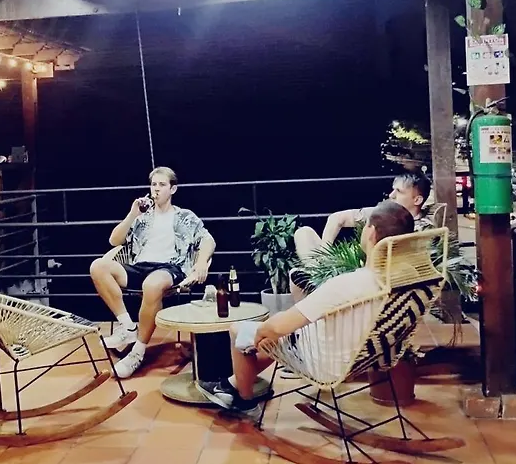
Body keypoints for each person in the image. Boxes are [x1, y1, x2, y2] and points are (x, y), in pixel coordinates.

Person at [197, 200, 415, 412]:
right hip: (369, 356)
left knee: (241, 330)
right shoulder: (409, 279)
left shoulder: (349, 284)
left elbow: (278, 328)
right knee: (278, 333)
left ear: (371, 232)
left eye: (365, 225)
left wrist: (261, 333)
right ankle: (230, 384)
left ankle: (244, 402)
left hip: (327, 363)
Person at [89, 166, 215, 378]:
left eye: (162, 185)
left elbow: (208, 240)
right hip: (140, 266)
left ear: (172, 189)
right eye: (153, 184)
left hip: (169, 267)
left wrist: (201, 262)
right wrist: (132, 214)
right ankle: (128, 328)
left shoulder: (184, 216)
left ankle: (137, 353)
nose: (156, 189)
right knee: (98, 266)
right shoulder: (142, 218)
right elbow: (114, 240)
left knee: (152, 284)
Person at [289, 172, 432, 294]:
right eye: (393, 190)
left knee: (295, 277)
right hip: (351, 269)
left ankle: (320, 283)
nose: (391, 195)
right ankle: (318, 275)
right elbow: (336, 218)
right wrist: (324, 256)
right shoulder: (384, 213)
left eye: (399, 192)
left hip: (369, 277)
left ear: (417, 200)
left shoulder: (422, 229)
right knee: (304, 233)